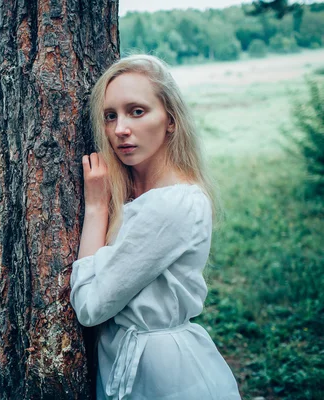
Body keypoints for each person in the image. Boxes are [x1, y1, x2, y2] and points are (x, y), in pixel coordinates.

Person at [69, 54, 241, 400]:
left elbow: (89, 307)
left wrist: (96, 206)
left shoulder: (170, 204)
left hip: (169, 378)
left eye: (137, 111)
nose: (120, 130)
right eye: (110, 116)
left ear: (171, 120)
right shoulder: (139, 196)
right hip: (134, 365)